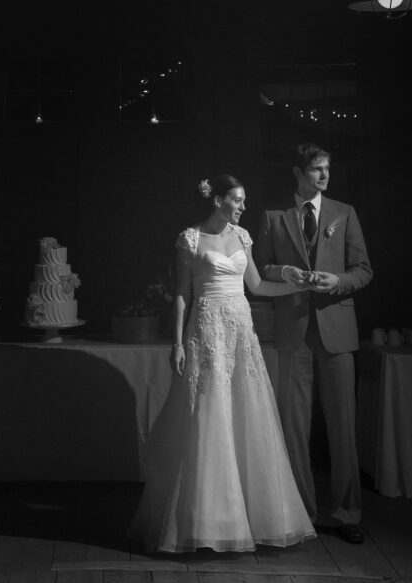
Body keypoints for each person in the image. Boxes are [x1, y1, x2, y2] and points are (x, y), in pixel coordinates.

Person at [129, 174, 316, 553]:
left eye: (244, 200)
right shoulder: (190, 239)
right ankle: (207, 522)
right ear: (217, 200)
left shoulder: (243, 237)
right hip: (207, 330)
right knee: (208, 418)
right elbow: (182, 293)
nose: (243, 207)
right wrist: (177, 342)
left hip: (240, 332)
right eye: (237, 200)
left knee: (248, 416)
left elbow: (259, 287)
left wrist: (301, 286)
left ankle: (254, 516)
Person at [256, 143, 373, 544]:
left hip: (337, 332)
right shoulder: (274, 216)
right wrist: (285, 271)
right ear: (297, 172)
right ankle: (301, 513)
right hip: (294, 332)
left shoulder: (344, 213)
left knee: (343, 426)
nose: (323, 176)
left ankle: (347, 513)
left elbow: (364, 270)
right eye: (315, 170)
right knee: (293, 427)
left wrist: (337, 281)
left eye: (326, 169)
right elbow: (258, 269)